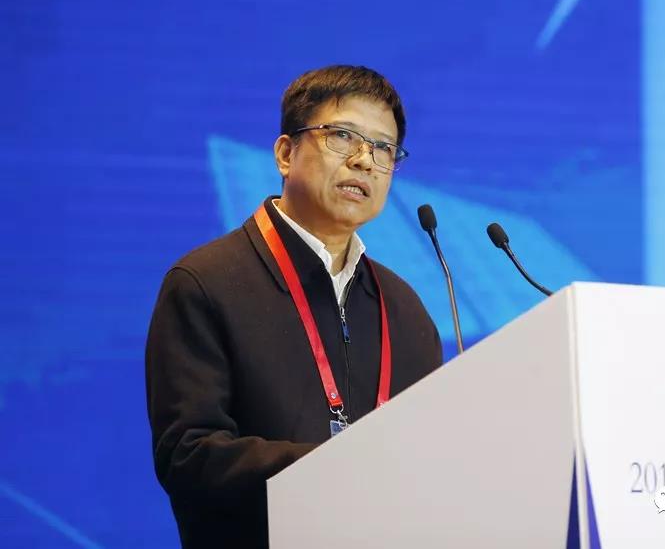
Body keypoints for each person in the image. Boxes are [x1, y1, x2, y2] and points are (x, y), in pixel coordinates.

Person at [145, 65, 443, 548]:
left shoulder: (405, 309)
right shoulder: (206, 282)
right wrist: (335, 468)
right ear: (286, 154)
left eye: (383, 148)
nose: (364, 161)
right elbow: (189, 456)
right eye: (343, 136)